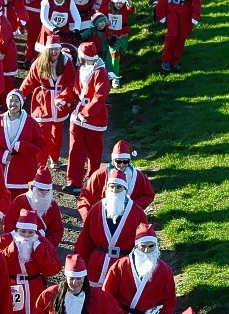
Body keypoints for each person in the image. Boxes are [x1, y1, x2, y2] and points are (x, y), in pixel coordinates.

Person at [74, 171, 148, 286]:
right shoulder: (96, 209)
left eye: (119, 187)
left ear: (125, 189)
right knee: (95, 299)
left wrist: (141, 269)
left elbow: (144, 242)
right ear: (107, 188)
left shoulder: (137, 212)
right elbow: (85, 240)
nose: (114, 190)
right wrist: (78, 265)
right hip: (97, 265)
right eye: (112, 187)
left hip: (123, 267)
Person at [62, 41, 111, 196]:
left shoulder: (100, 72)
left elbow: (100, 96)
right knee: (75, 149)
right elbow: (73, 88)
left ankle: (92, 182)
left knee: (94, 152)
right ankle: (73, 182)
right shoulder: (81, 69)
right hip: (78, 115)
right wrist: (63, 98)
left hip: (94, 118)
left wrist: (87, 112)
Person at [19, 35, 76, 169]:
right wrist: (19, 96)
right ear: (46, 50)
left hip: (60, 104)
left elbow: (72, 83)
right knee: (41, 136)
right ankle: (40, 165)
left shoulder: (67, 62)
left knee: (56, 135)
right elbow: (29, 81)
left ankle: (54, 158)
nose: (54, 52)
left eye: (56, 49)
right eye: (51, 49)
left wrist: (65, 98)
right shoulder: (39, 63)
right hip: (42, 102)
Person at [0, 90, 47, 198]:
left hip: (24, 169)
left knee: (23, 201)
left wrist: (22, 146)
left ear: (21, 103)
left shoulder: (30, 122)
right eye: (10, 101)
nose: (13, 104)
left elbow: (40, 145)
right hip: (4, 168)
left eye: (16, 101)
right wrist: (3, 155)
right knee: (5, 200)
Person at [78, 140, 155, 220]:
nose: (121, 165)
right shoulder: (100, 174)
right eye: (118, 161)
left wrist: (133, 207)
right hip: (103, 218)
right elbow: (85, 196)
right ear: (112, 160)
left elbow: (149, 195)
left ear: (129, 161)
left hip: (130, 218)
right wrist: (88, 217)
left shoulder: (138, 176)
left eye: (125, 161)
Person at [3, 167, 64, 249]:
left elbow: (57, 231)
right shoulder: (20, 201)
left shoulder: (53, 206)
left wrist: (45, 246)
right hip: (19, 242)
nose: (44, 193)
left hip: (42, 246)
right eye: (41, 189)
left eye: (47, 190)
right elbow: (9, 225)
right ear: (33, 188)